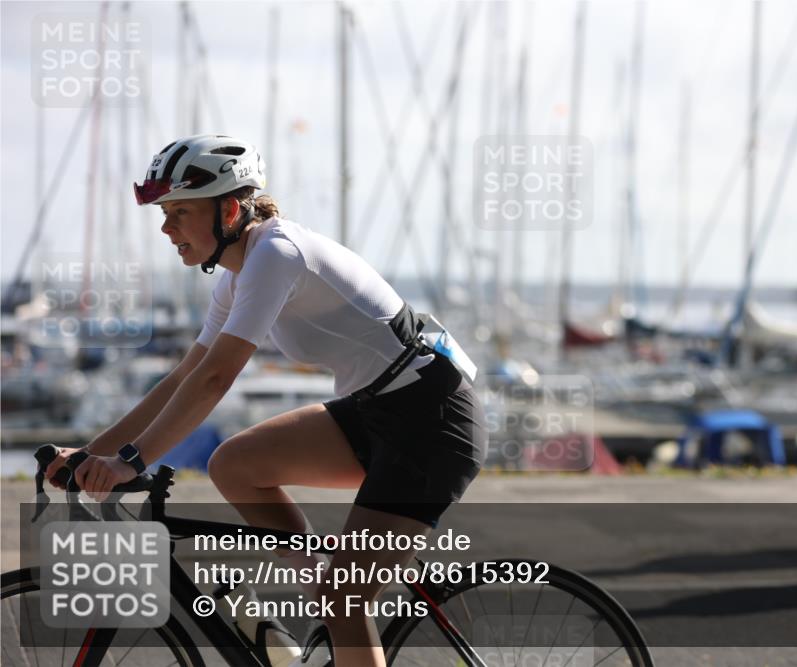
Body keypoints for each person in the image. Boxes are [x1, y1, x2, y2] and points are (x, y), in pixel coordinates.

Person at [44, 134, 487, 667]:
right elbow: (183, 377)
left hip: (432, 420)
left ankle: (334, 604)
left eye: (180, 212)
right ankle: (314, 612)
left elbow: (214, 381)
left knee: (345, 599)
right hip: (378, 409)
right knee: (235, 464)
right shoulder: (236, 277)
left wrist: (132, 460)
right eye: (165, 214)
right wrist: (93, 454)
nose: (166, 229)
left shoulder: (277, 254)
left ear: (229, 209)